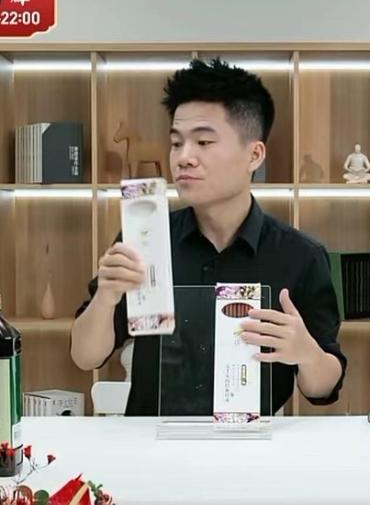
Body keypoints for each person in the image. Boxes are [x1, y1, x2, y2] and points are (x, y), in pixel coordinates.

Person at [71, 58, 347, 415]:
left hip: (251, 444)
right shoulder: (145, 240)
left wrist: (306, 353)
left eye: (203, 141)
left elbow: (323, 388)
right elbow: (85, 356)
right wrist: (106, 297)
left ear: (254, 155)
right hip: (151, 442)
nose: (184, 158)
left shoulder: (300, 255)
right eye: (176, 143)